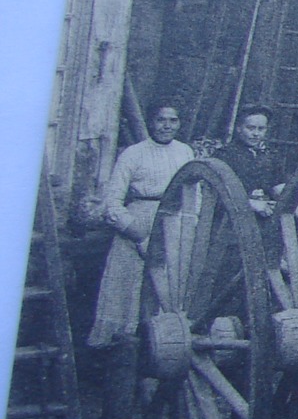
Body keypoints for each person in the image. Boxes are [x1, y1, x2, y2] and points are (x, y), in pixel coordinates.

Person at [90, 103, 194, 348]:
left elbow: (194, 196)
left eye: (173, 120)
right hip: (139, 224)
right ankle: (122, 348)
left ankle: (163, 347)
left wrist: (189, 227)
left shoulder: (185, 152)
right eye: (161, 120)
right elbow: (111, 204)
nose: (166, 126)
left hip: (174, 225)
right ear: (150, 122)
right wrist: (137, 234)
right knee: (128, 288)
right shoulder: (133, 154)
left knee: (167, 289)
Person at [214, 105, 280, 219]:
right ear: (239, 128)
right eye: (251, 128)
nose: (256, 133)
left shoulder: (270, 155)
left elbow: (277, 185)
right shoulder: (224, 155)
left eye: (261, 129)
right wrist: (250, 204)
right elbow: (216, 194)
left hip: (264, 218)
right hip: (230, 220)